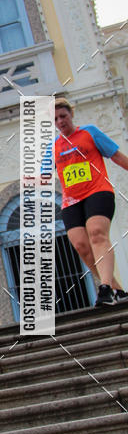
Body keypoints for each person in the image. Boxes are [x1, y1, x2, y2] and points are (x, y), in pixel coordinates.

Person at [54, 98, 128, 306]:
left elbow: (117, 156)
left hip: (98, 192)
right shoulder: (53, 145)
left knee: (96, 233)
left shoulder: (89, 132)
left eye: (63, 116)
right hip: (71, 201)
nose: (60, 121)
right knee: (81, 246)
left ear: (71, 115)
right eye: (56, 119)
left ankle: (104, 288)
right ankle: (117, 290)